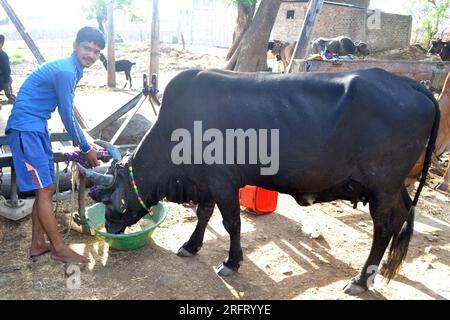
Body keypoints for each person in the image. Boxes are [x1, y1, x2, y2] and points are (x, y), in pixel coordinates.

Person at [5, 26, 105, 264]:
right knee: (44, 189)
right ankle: (59, 248)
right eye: (87, 48)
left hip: (36, 128)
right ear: (75, 45)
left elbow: (68, 112)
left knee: (46, 189)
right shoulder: (66, 71)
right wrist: (85, 147)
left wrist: (85, 140)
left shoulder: (72, 69)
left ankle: (38, 244)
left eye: (96, 51)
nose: (91, 54)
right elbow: (67, 115)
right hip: (26, 129)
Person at [0, 34, 16, 104]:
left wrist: (6, 80)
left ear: (0, 44)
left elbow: (7, 70)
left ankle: (12, 98)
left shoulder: (4, 56)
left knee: (8, 92)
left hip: (4, 78)